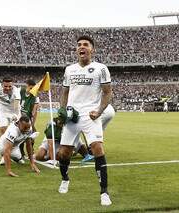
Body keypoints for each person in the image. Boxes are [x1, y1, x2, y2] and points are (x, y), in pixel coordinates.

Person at [57, 35, 112, 206]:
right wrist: (62, 113)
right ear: (76, 50)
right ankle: (65, 179)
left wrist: (99, 110)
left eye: (86, 45)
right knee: (64, 153)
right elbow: (65, 93)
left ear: (92, 49)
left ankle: (104, 192)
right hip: (72, 116)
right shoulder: (69, 69)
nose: (82, 47)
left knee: (97, 148)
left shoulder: (100, 68)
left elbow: (107, 92)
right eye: (79, 45)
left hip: (90, 115)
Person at [19, 79, 40, 158]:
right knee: (20, 135)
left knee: (31, 136)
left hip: (27, 119)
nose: (32, 90)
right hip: (18, 117)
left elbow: (34, 111)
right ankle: (21, 152)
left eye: (33, 89)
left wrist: (32, 123)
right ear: (26, 86)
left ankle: (31, 151)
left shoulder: (35, 96)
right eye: (30, 88)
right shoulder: (20, 91)